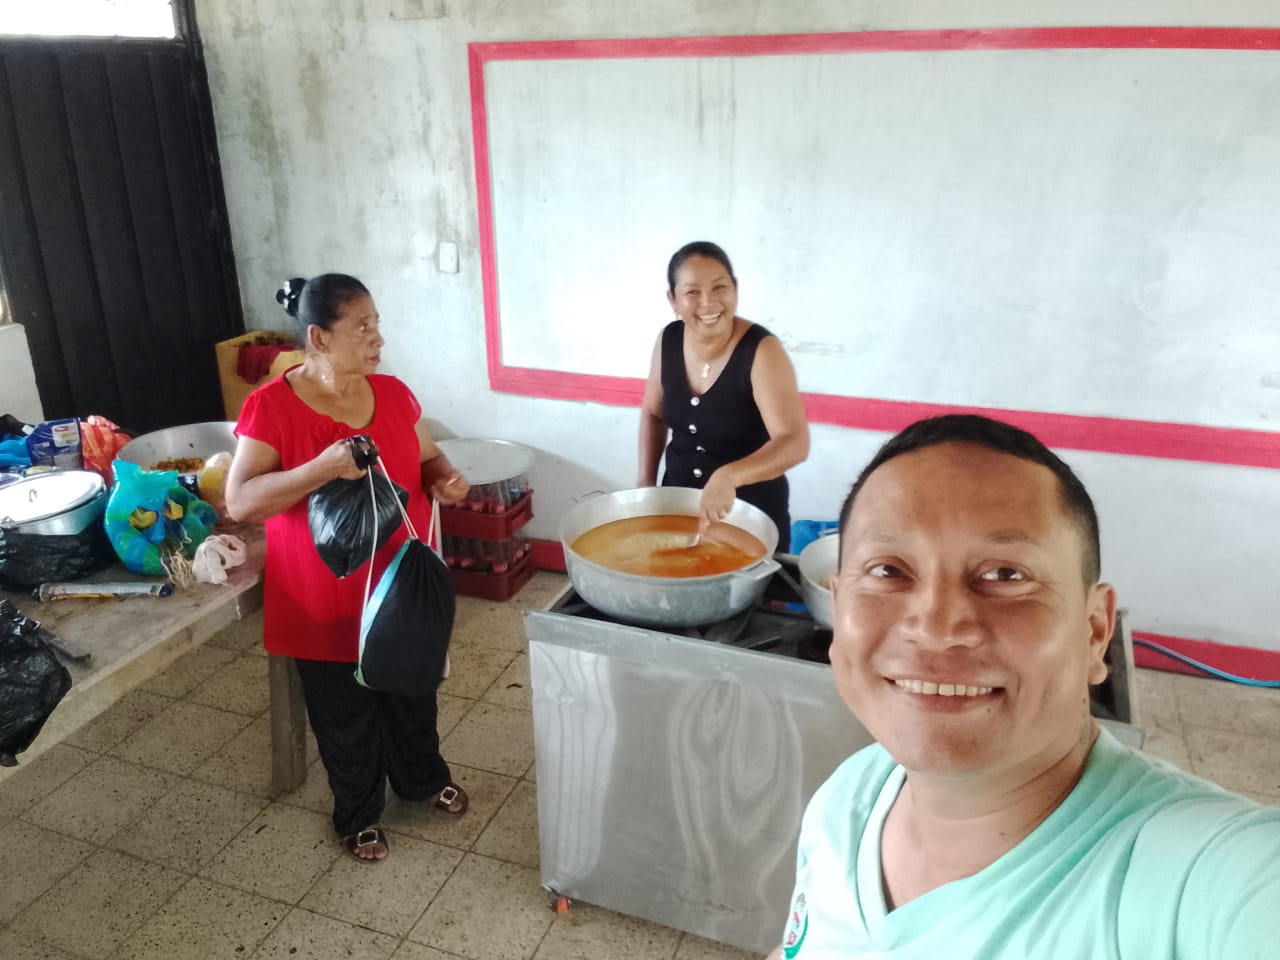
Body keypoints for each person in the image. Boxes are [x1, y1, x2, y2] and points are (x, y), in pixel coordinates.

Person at [770, 414, 1280, 959]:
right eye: (888, 571)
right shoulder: (849, 798)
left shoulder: (1201, 877)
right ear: (838, 604)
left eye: (1005, 575)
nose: (936, 627)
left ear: (1094, 631)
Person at [225, 273, 471, 863]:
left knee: (413, 691)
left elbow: (430, 458)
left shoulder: (393, 394)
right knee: (345, 713)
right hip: (324, 596)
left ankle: (420, 778)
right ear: (319, 337)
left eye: (377, 323)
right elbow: (241, 501)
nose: (377, 337)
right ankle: (358, 813)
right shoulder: (271, 407)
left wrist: (446, 479)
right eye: (361, 327)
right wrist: (321, 468)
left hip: (401, 584)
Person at [638, 241, 809, 551]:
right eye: (692, 292)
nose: (708, 302)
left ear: (735, 289)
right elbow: (653, 413)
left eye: (720, 288)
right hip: (678, 510)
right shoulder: (668, 340)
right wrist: (645, 484)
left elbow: (795, 442)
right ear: (673, 300)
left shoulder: (762, 351)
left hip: (749, 520)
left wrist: (730, 476)